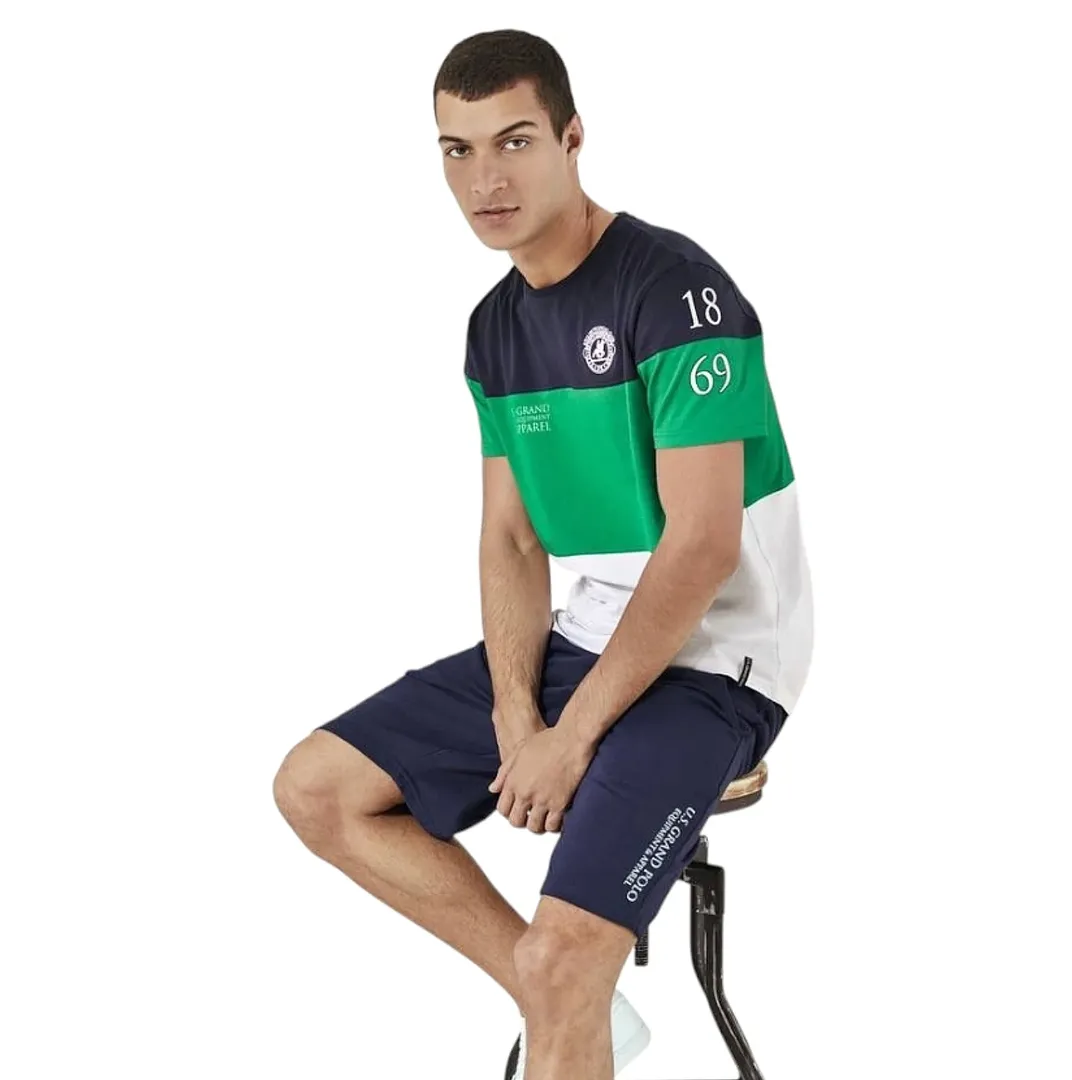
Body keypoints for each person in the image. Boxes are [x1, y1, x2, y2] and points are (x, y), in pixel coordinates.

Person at [273, 27, 813, 1080]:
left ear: (572, 139)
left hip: (717, 666)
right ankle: (567, 1005)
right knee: (317, 788)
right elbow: (511, 536)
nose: (487, 179)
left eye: (514, 141)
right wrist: (517, 715)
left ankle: (565, 992)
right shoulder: (495, 329)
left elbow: (704, 547)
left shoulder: (677, 293)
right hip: (589, 641)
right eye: (458, 150)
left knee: (568, 958)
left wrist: (570, 739)